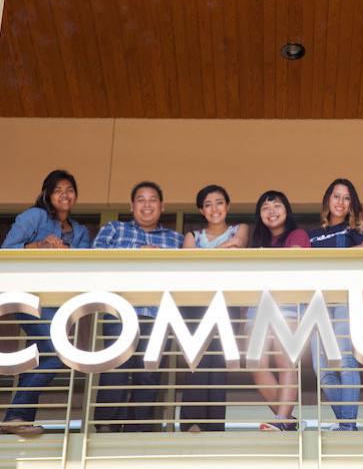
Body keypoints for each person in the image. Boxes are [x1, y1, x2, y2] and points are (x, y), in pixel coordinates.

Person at [1, 169, 90, 436]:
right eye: (58, 190)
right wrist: (39, 245)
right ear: (47, 195)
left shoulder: (81, 231)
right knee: (58, 353)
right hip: (27, 296)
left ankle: (17, 419)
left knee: (45, 356)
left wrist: (67, 251)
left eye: (69, 190)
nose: (65, 195)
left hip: (57, 305)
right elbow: (7, 249)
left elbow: (86, 264)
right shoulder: (34, 216)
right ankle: (15, 415)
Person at [92, 181, 183, 432]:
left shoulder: (174, 239)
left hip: (157, 315)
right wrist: (138, 250)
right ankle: (106, 427)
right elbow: (96, 253)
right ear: (132, 206)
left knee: (148, 374)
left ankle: (138, 429)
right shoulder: (115, 228)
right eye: (141, 200)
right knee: (116, 369)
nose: (147, 205)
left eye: (152, 199)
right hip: (120, 311)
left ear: (162, 206)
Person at [180, 185, 248, 433]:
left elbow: (238, 246)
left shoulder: (239, 229)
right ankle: (192, 422)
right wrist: (220, 250)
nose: (214, 208)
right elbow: (188, 263)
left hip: (226, 302)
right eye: (208, 204)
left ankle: (214, 425)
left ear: (227, 206)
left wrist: (203, 255)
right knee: (196, 360)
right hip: (196, 303)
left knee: (219, 362)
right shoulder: (192, 235)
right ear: (201, 209)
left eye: (219, 203)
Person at [307, 178, 363, 431]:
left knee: (345, 360)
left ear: (352, 204)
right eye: (336, 196)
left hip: (345, 298)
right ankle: (348, 424)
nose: (341, 202)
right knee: (321, 368)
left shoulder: (357, 230)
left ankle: (347, 426)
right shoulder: (313, 235)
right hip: (317, 302)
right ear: (328, 200)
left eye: (347, 198)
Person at [248, 190, 310, 431]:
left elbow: (292, 259)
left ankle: (282, 419)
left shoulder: (298, 234)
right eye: (265, 208)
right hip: (258, 306)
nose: (271, 211)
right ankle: (286, 419)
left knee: (285, 360)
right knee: (255, 363)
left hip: (288, 304)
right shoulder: (257, 242)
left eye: (277, 205)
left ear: (287, 210)